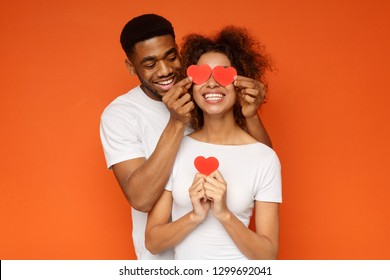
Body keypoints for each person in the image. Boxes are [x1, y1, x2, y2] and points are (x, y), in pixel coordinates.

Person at [100, 14, 272, 260]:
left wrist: (252, 116)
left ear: (179, 52)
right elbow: (141, 198)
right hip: (161, 262)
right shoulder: (120, 115)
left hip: (222, 256)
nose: (165, 70)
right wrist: (176, 122)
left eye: (171, 57)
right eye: (150, 65)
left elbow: (261, 165)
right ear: (131, 67)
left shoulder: (204, 91)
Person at [145, 26, 282, 259]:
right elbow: (152, 242)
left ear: (239, 84)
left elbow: (268, 254)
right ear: (189, 85)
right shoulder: (176, 148)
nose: (211, 84)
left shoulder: (264, 157)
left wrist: (224, 213)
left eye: (223, 74)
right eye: (201, 75)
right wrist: (194, 216)